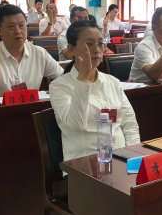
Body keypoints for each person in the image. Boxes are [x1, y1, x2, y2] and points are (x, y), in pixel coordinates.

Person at [49, 20, 140, 161]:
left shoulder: (113, 82)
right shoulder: (59, 86)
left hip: (121, 159)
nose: (97, 50)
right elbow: (76, 125)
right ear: (71, 49)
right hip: (84, 163)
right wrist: (82, 79)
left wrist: (133, 156)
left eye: (100, 44)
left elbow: (130, 124)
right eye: (89, 44)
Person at [0, 5, 64, 96]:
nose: (18, 31)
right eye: (11, 27)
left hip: (33, 105)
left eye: (21, 25)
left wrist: (54, 91)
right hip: (0, 105)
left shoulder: (39, 53)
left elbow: (63, 77)